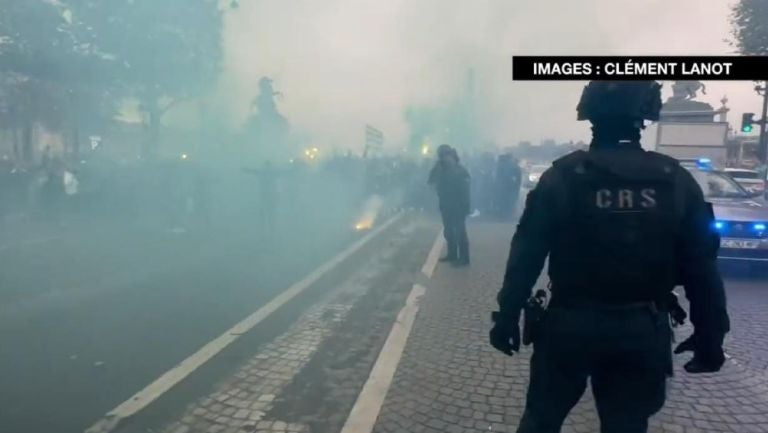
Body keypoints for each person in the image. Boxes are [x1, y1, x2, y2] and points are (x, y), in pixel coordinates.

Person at [489, 81, 730, 433]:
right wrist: (711, 334)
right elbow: (702, 267)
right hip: (641, 328)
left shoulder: (562, 177)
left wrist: (507, 316)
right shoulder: (675, 181)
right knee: (627, 425)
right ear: (644, 120)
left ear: (591, 119)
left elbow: (526, 255)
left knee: (541, 420)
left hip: (569, 325)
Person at [428, 144, 471, 266]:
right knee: (448, 231)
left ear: (451, 155)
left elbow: (465, 191)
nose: (443, 159)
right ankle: (452, 254)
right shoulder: (441, 168)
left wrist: (466, 207)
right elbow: (430, 180)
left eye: (445, 156)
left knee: (460, 232)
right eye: (441, 156)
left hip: (458, 206)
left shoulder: (460, 170)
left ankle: (464, 258)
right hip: (446, 204)